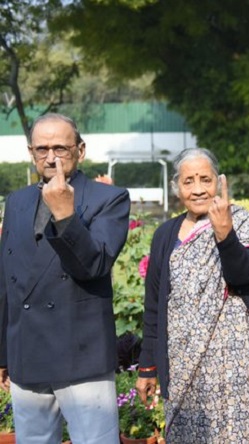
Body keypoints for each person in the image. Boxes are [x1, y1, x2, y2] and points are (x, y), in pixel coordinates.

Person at [136, 148, 249, 443]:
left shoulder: (241, 221)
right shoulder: (165, 235)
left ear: (219, 182)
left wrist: (225, 235)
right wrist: (148, 366)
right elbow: (154, 305)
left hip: (239, 368)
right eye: (188, 181)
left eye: (205, 180)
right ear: (176, 188)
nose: (197, 190)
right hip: (184, 366)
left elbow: (244, 275)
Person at [0, 113, 131, 444]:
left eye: (60, 147)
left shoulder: (110, 199)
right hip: (26, 354)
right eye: (41, 148)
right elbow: (6, 282)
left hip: (81, 354)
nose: (51, 157)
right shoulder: (17, 201)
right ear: (31, 152)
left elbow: (94, 265)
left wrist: (65, 215)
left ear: (81, 150)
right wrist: (3, 354)